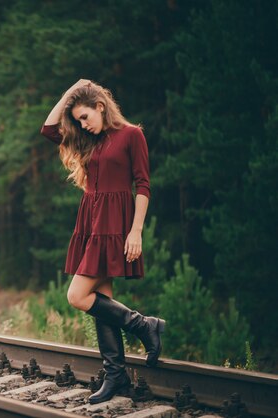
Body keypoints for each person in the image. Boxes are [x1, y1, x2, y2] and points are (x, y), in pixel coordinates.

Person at [40, 79, 166, 404]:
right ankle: (116, 376)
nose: (83, 124)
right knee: (101, 302)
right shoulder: (90, 138)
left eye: (85, 117)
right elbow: (50, 130)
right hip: (92, 221)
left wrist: (136, 230)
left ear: (100, 106)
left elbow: (143, 184)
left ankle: (144, 325)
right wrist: (70, 92)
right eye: (79, 120)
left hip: (116, 222)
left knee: (77, 295)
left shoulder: (131, 135)